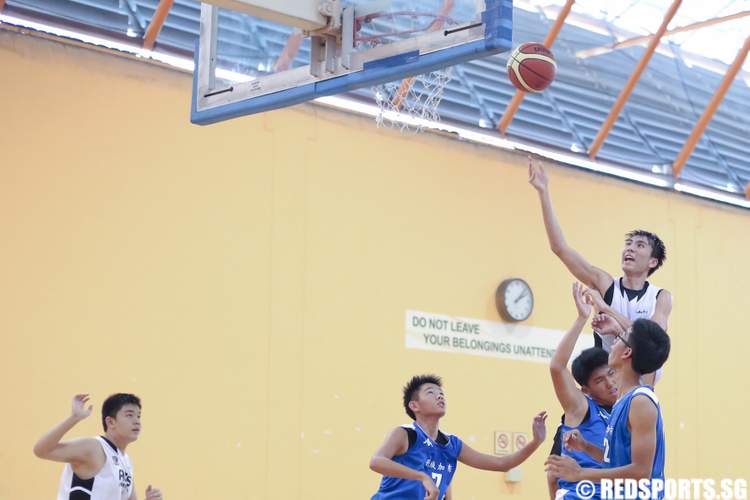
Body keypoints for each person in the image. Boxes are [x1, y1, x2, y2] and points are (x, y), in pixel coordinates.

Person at [545, 319, 670, 497]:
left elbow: (641, 473)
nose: (614, 342)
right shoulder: (622, 401)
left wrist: (580, 474)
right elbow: (617, 462)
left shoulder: (640, 401)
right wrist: (586, 446)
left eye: (621, 337)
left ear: (627, 352)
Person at [370, 374, 547, 500]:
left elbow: (502, 464)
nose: (439, 395)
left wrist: (536, 442)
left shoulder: (451, 444)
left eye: (441, 393)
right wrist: (422, 477)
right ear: (414, 405)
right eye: (431, 392)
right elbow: (376, 461)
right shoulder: (405, 433)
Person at [549, 283, 618, 499]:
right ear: (586, 390)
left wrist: (616, 329)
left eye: (610, 374)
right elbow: (556, 367)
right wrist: (582, 318)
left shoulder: (626, 409)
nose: (609, 383)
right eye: (599, 380)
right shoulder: (582, 407)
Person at [33, 393, 163, 500]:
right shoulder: (94, 447)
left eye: (138, 416)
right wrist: (74, 418)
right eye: (129, 415)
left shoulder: (126, 461)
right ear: (111, 422)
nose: (137, 421)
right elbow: (41, 450)